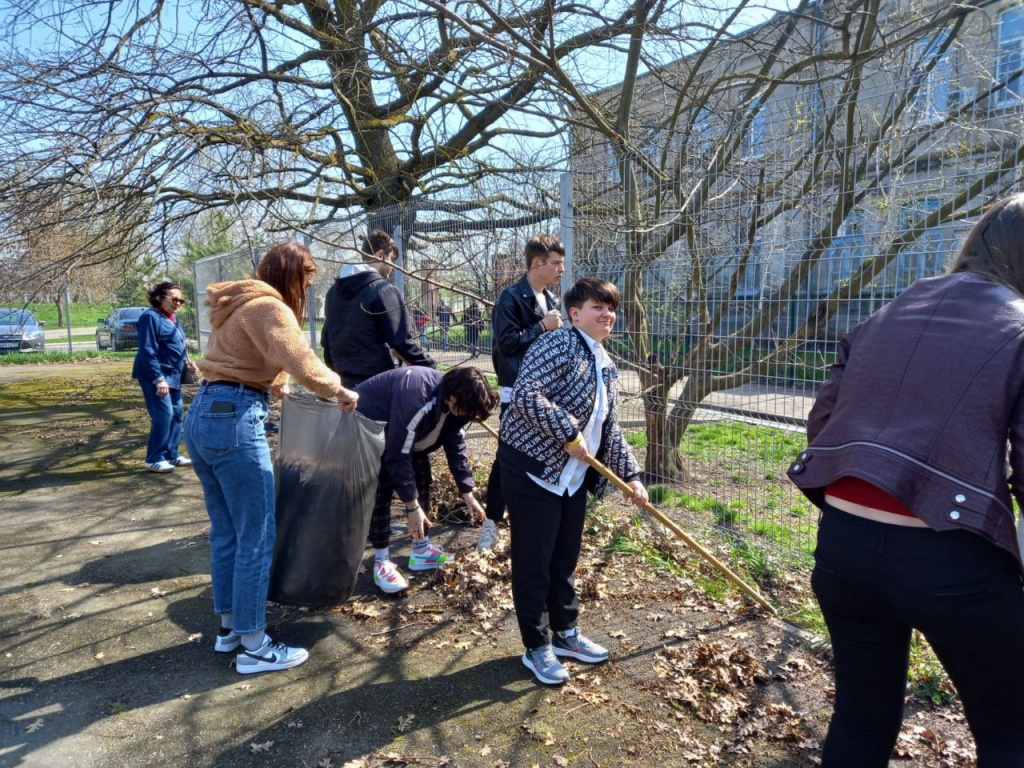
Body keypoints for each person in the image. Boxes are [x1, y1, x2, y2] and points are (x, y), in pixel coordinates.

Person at [788, 194, 1024, 766]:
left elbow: (822, 422)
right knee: (1011, 736)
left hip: (844, 549)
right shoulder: (1019, 327)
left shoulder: (892, 309)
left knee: (861, 722)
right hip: (952, 561)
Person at [185, 242, 359, 675]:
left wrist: (270, 381)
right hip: (233, 421)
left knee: (227, 531)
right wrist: (338, 389)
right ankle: (254, 645)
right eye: (306, 279)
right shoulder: (269, 305)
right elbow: (302, 359)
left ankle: (230, 629)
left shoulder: (240, 303)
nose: (307, 289)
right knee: (256, 535)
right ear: (292, 275)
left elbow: (244, 358)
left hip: (204, 413)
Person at [498, 277, 648, 685]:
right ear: (574, 313)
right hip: (533, 470)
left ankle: (566, 633)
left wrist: (631, 475)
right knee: (534, 563)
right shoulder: (557, 343)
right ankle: (537, 646)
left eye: (611, 307)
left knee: (563, 559)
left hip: (572, 477)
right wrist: (567, 431)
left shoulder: (604, 362)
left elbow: (608, 427)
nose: (607, 314)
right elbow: (526, 395)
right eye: (597, 307)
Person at [356, 366, 498, 594]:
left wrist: (467, 492)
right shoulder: (417, 398)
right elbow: (396, 455)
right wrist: (411, 507)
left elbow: (455, 444)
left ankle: (421, 551)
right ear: (452, 395)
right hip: (370, 432)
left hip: (404, 441)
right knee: (380, 493)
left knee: (422, 479)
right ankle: (381, 562)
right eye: (464, 410)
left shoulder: (457, 406)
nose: (464, 416)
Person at [478, 234, 565, 552]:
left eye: (562, 263)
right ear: (537, 263)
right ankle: (490, 524)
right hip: (517, 393)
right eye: (556, 263)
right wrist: (541, 327)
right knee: (506, 458)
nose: (561, 269)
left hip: (547, 393)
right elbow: (506, 343)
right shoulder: (511, 298)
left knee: (542, 455)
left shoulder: (552, 301)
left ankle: (531, 525)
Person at [320, 230, 435, 388]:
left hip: (343, 382)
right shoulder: (383, 289)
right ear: (381, 255)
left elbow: (327, 340)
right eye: (392, 260)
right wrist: (433, 369)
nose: (393, 267)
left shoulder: (333, 292)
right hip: (377, 382)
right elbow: (401, 343)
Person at [132, 281, 196, 473]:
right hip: (156, 375)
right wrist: (158, 379)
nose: (178, 303)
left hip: (174, 374)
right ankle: (154, 458)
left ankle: (171, 454)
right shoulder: (150, 317)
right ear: (159, 297)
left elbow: (178, 343)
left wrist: (187, 361)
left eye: (181, 300)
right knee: (164, 414)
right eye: (174, 299)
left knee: (177, 414)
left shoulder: (172, 318)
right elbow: (147, 350)